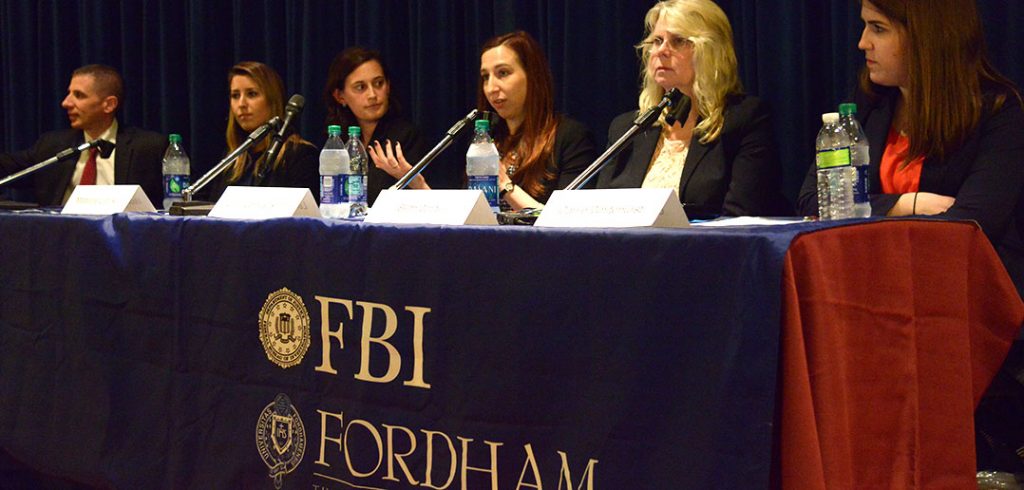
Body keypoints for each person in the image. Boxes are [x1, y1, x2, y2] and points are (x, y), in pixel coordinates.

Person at [797, 0, 1024, 474]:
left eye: (877, 28)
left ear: (926, 37)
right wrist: (907, 204)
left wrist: (866, 210)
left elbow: (970, 226)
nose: (862, 43)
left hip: (963, 317)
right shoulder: (872, 107)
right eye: (864, 27)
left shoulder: (1000, 113)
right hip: (873, 304)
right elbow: (812, 204)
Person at [595, 0, 789, 218]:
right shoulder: (627, 128)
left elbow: (741, 216)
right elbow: (603, 215)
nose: (661, 51)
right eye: (657, 41)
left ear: (711, 52)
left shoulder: (744, 119)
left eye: (678, 41)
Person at [0, 64, 166, 207]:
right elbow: (8, 168)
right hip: (60, 238)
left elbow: (184, 199)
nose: (66, 103)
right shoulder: (53, 145)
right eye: (69, 93)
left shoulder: (149, 148)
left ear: (109, 104)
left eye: (79, 95)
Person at [325, 47, 451, 205]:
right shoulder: (338, 142)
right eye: (360, 87)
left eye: (378, 83)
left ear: (388, 86)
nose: (372, 95)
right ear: (340, 96)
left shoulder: (406, 138)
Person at [205, 61, 318, 201]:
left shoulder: (300, 155)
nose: (241, 104)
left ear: (272, 100)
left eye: (252, 94)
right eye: (235, 95)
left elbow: (303, 216)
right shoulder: (233, 159)